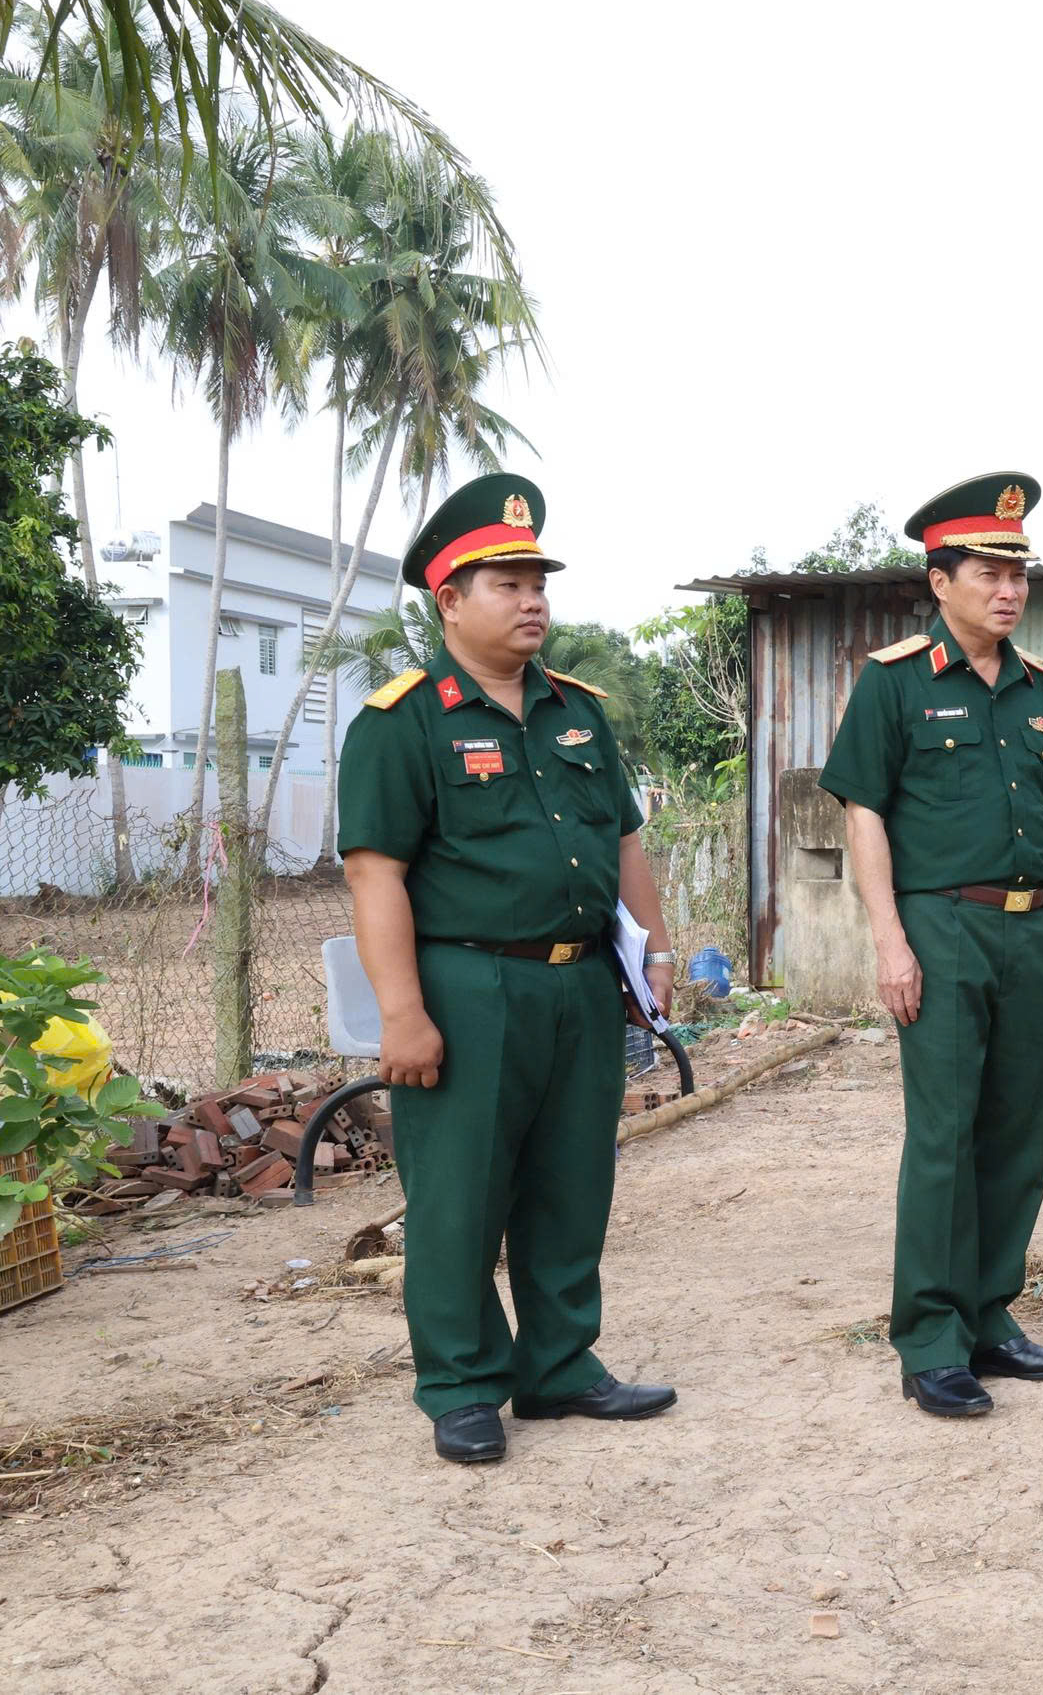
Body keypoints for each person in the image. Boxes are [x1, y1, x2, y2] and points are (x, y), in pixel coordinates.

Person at [338, 473, 679, 1464]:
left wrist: (654, 949)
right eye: (508, 584)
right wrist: (401, 1012)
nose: (533, 601)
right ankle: (461, 1383)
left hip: (581, 980)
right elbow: (374, 874)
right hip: (469, 985)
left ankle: (560, 1364)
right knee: (460, 1194)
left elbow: (623, 840)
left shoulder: (577, 712)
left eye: (539, 583)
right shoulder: (403, 722)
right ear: (448, 600)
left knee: (572, 1182)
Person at [818, 473, 1043, 1418]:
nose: (1009, 589)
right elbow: (865, 812)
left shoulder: (1039, 689)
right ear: (940, 582)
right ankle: (932, 1338)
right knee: (944, 1133)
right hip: (942, 925)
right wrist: (889, 941)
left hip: (1032, 925)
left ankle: (990, 1317)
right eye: (989, 572)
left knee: (1019, 1125)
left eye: (1019, 573)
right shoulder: (895, 681)